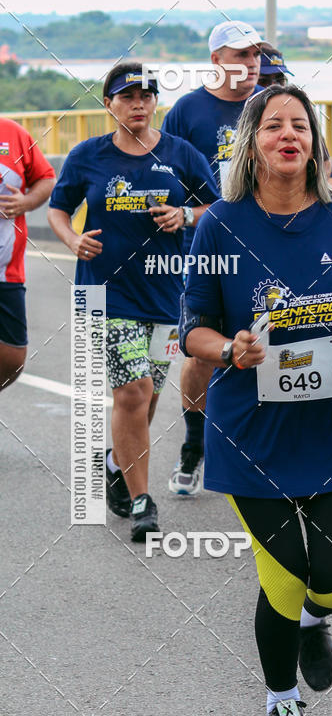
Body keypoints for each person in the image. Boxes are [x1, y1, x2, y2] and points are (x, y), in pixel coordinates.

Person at [179, 84, 332, 716]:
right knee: (282, 576)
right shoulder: (221, 223)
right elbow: (194, 328)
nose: (287, 136)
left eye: (299, 125)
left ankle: (310, 623)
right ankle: (281, 707)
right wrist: (228, 349)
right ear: (253, 142)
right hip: (253, 434)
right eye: (273, 126)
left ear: (314, 142)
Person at [48, 62, 218, 541]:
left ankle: (113, 463)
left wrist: (185, 214)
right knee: (132, 393)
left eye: (146, 96)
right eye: (127, 97)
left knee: (147, 399)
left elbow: (219, 208)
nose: (138, 104)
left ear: (155, 103)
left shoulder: (181, 154)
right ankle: (144, 503)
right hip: (107, 294)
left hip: (166, 293)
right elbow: (58, 209)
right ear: (110, 104)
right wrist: (71, 239)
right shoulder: (88, 156)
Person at [162, 20, 265, 496]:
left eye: (255, 56)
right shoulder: (187, 111)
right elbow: (165, 184)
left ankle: (266, 449)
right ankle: (193, 443)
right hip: (204, 252)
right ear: (216, 61)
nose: (250, 65)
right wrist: (189, 215)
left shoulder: (267, 107)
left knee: (268, 345)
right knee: (203, 351)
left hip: (265, 247)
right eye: (241, 55)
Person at [0, 119, 55, 393]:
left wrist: (27, 202)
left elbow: (45, 178)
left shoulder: (13, 133)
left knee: (13, 358)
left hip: (6, 272)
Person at [258, 42, 332, 188]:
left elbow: (330, 177)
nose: (274, 86)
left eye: (280, 79)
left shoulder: (301, 114)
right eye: (263, 81)